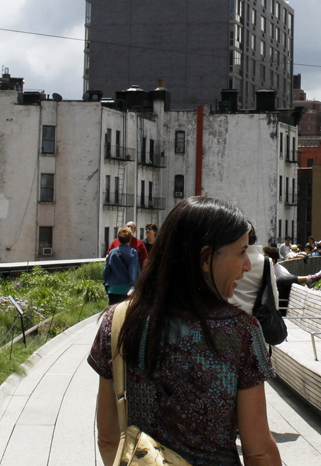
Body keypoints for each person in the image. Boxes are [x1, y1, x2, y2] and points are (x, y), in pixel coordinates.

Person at [89, 197, 281, 466]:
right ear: (205, 259)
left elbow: (108, 438)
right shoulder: (240, 332)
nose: (247, 265)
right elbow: (259, 451)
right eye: (241, 252)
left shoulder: (117, 321)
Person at [229, 228, 281, 317]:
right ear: (255, 238)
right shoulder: (264, 261)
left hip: (228, 315)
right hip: (257, 317)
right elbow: (272, 293)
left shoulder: (226, 259)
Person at [262, 247, 321, 314]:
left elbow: (293, 283)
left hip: (280, 302)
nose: (262, 259)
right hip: (272, 302)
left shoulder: (280, 271)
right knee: (280, 280)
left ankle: (309, 280)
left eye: (264, 257)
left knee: (281, 279)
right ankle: (309, 280)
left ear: (272, 260)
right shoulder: (268, 269)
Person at [103, 227, 140, 305]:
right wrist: (134, 286)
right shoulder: (133, 253)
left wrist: (106, 284)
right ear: (130, 239)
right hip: (127, 290)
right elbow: (133, 271)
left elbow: (106, 270)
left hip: (113, 289)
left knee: (113, 314)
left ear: (118, 239)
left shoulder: (112, 253)